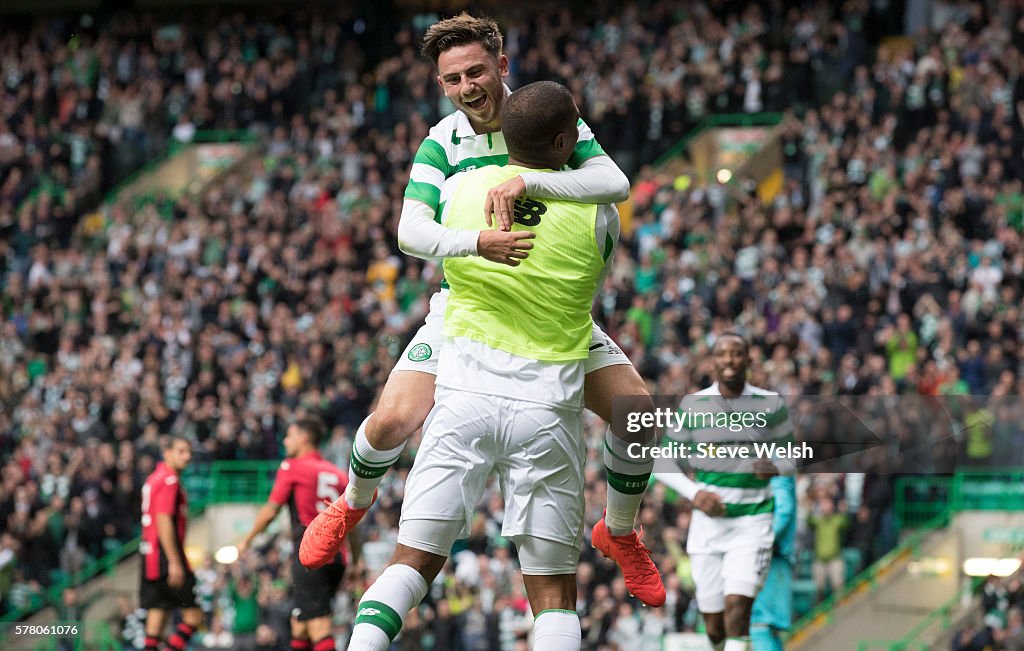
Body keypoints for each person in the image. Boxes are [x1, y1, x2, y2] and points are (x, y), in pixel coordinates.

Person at [299, 12, 662, 606]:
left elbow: (614, 182)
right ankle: (350, 505)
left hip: (548, 315)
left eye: (475, 71)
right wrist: (478, 242)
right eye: (451, 79)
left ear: (501, 66)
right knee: (391, 422)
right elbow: (410, 231)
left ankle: (620, 532)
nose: (467, 87)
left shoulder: (545, 116)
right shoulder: (442, 141)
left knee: (638, 415)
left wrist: (531, 184)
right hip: (469, 308)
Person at [343, 80, 624, 650]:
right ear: (570, 140)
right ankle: (621, 524)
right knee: (552, 592)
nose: (465, 87)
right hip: (546, 402)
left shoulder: (462, 190)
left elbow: (416, 235)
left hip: (465, 391)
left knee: (411, 565)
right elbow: (607, 201)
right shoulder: (602, 215)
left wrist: (476, 240)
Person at [654, 333, 795, 651]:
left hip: (753, 523)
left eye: (736, 353)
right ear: (712, 362)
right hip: (707, 526)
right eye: (722, 354)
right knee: (715, 626)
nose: (729, 359)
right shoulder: (694, 405)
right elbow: (661, 461)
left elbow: (791, 456)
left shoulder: (771, 404)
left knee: (738, 608)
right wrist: (693, 493)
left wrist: (775, 466)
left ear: (748, 360)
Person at [239, 417, 356, 651]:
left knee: (318, 623)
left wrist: (247, 540)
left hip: (311, 554)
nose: (285, 440)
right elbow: (353, 521)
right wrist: (356, 558)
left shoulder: (292, 466)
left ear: (304, 438)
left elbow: (271, 511)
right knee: (300, 622)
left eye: (289, 435)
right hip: (338, 557)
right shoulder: (340, 475)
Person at [139, 435, 203, 651]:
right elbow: (163, 519)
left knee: (157, 615)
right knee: (194, 616)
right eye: (181, 451)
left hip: (149, 554)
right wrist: (175, 561)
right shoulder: (170, 480)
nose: (187, 457)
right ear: (167, 453)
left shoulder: (153, 478)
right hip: (166, 555)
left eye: (189, 452)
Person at [750, 475, 797, 651]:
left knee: (759, 623)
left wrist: (759, 542)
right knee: (767, 628)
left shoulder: (773, 456)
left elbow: (784, 509)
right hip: (773, 557)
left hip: (770, 559)